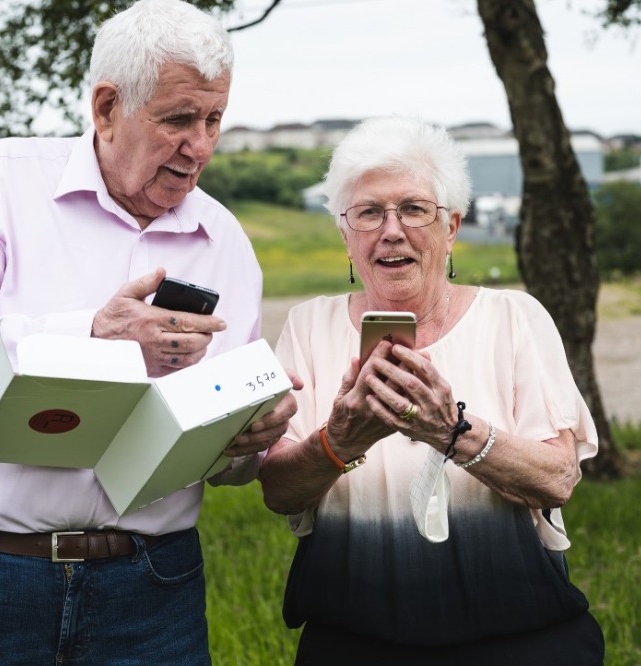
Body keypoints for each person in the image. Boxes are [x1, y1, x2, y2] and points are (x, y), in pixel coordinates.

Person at [0, 1, 297, 663]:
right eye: (179, 120)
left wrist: (246, 439)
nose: (203, 146)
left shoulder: (226, 241)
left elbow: (226, 466)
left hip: (153, 589)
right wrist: (91, 333)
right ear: (106, 108)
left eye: (215, 118)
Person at [258, 116, 605, 664]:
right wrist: (340, 441)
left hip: (518, 640)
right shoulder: (308, 326)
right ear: (346, 237)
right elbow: (279, 491)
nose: (391, 230)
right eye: (368, 213)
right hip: (352, 641)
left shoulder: (514, 318)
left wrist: (454, 432)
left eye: (414, 209)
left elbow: (558, 478)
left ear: (453, 227)